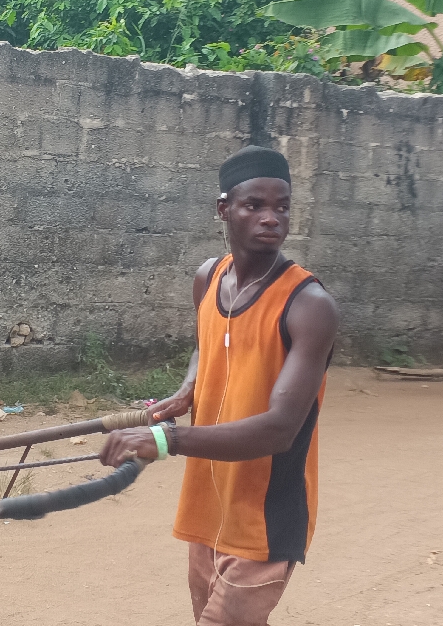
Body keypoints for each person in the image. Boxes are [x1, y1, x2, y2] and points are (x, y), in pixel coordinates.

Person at [99, 145, 339, 626]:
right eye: (255, 205)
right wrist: (190, 386)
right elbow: (207, 343)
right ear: (224, 209)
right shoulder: (209, 278)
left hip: (265, 516)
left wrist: (165, 439)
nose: (271, 218)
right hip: (209, 505)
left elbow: (280, 429)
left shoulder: (309, 304)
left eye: (282, 207)